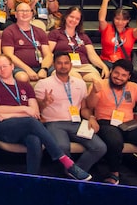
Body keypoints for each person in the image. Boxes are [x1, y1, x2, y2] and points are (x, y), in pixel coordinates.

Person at [0, 54, 90, 181]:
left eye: (5, 66)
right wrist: (24, 109)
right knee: (31, 122)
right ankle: (65, 160)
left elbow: (35, 111)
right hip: (4, 128)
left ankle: (31, 179)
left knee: (34, 139)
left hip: (23, 126)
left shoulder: (25, 86)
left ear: (12, 66)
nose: (2, 70)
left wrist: (7, 114)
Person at [86, 60, 137, 187]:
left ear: (129, 77)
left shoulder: (134, 87)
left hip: (129, 123)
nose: (119, 77)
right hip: (106, 121)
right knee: (115, 141)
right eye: (116, 73)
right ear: (111, 72)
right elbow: (90, 105)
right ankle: (114, 174)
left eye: (123, 75)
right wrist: (94, 92)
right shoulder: (101, 84)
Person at [34, 51, 109, 180]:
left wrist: (91, 118)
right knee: (62, 146)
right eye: (59, 63)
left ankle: (74, 171)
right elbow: (36, 109)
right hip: (54, 123)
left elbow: (85, 108)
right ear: (54, 64)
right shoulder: (44, 84)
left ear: (71, 65)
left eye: (66, 63)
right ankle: (73, 173)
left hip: (76, 122)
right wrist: (45, 102)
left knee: (100, 147)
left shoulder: (80, 83)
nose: (63, 66)